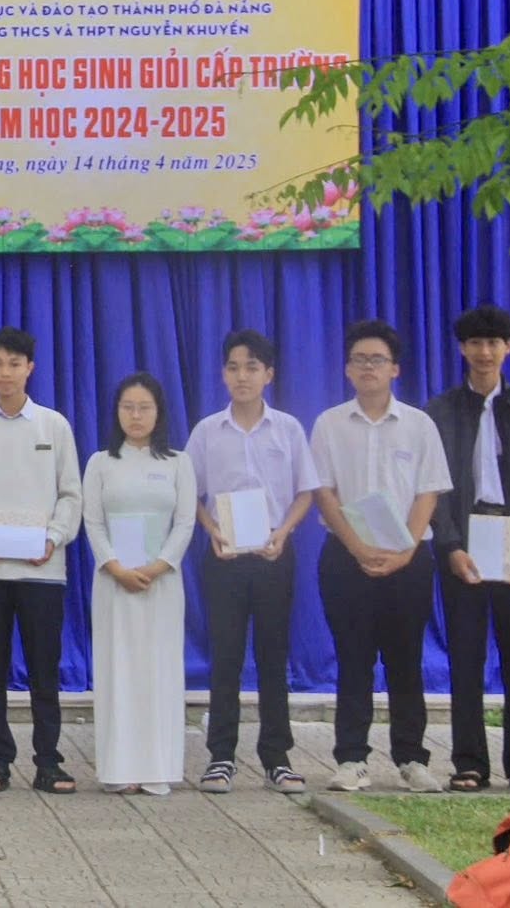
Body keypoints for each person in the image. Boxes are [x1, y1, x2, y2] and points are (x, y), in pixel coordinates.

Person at [312, 318, 452, 795]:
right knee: (353, 658)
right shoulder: (329, 424)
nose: (368, 367)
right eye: (359, 360)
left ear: (395, 368)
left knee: (405, 659)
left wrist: (406, 551)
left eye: (377, 360)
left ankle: (411, 758)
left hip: (407, 560)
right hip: (345, 557)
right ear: (347, 369)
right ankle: (351, 758)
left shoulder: (419, 425)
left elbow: (429, 492)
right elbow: (324, 492)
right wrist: (357, 546)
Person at [427, 304, 510, 793]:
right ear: (463, 349)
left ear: (509, 348)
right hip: (464, 541)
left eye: (493, 343)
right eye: (475, 343)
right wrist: (450, 545)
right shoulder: (441, 411)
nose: (484, 352)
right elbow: (434, 487)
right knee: (465, 656)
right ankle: (469, 762)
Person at [184, 327, 319, 795]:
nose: (242, 376)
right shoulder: (207, 431)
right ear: (223, 374)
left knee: (272, 656)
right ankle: (220, 756)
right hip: (223, 557)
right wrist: (211, 529)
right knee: (225, 656)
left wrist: (284, 532)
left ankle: (277, 757)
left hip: (273, 555)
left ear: (269, 375)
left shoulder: (288, 429)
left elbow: (306, 491)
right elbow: (190, 492)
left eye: (252, 368)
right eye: (233, 367)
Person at [0, 325, 82, 795]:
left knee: (44, 671)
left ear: (30, 368)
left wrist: (53, 538)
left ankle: (49, 761)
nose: (5, 372)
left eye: (14, 363)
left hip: (42, 570)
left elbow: (71, 494)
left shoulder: (54, 425)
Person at [82, 373, 195, 797]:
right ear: (116, 412)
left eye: (144, 407)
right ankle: (119, 768)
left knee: (159, 671)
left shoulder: (178, 463)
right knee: (118, 670)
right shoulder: (100, 463)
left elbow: (185, 523)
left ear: (159, 412)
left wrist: (158, 565)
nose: (135, 415)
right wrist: (115, 567)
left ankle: (157, 768)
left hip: (161, 584)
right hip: (114, 583)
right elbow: (93, 522)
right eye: (127, 407)